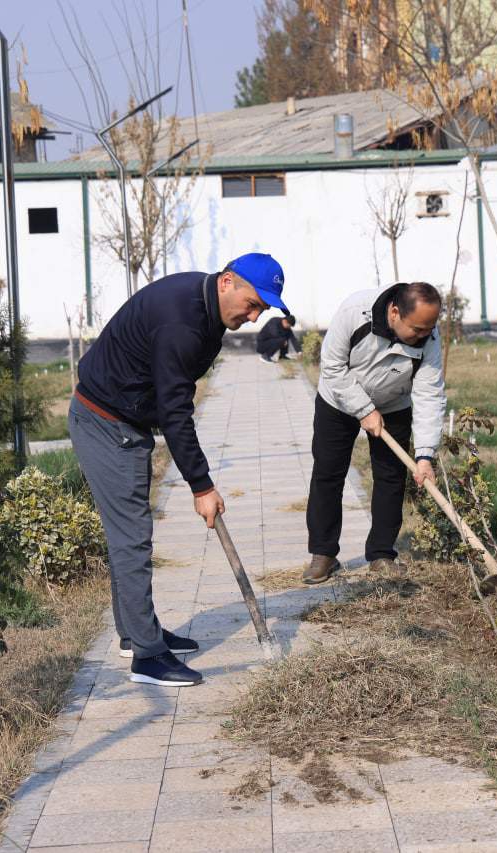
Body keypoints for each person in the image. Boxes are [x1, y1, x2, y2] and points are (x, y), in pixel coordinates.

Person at [70, 253, 288, 686]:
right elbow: (175, 412)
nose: (254, 315)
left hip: (121, 418)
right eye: (252, 303)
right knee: (132, 538)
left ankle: (136, 634)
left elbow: (176, 395)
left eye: (263, 309)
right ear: (228, 282)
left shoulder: (205, 308)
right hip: (104, 422)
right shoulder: (183, 322)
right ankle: (148, 658)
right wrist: (201, 485)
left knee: (127, 535)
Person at [304, 282, 446, 584]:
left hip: (394, 401)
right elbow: (331, 367)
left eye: (429, 329)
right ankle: (323, 553)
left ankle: (382, 554)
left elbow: (429, 394)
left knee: (391, 476)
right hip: (338, 399)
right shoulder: (355, 313)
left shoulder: (429, 337)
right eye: (418, 329)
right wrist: (363, 409)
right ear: (394, 312)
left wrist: (424, 455)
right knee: (328, 473)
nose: (425, 336)